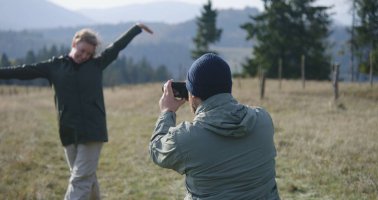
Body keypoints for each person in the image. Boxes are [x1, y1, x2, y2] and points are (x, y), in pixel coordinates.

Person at [0, 23, 153, 199]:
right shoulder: (54, 66)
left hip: (93, 131)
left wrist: (136, 28)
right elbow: (22, 72)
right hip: (68, 132)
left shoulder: (97, 64)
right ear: (74, 43)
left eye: (89, 54)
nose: (84, 56)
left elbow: (116, 46)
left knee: (79, 179)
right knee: (86, 177)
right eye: (82, 51)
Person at [150, 53, 280, 200]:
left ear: (191, 94)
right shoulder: (263, 119)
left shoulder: (185, 140)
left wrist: (167, 112)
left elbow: (156, 150)